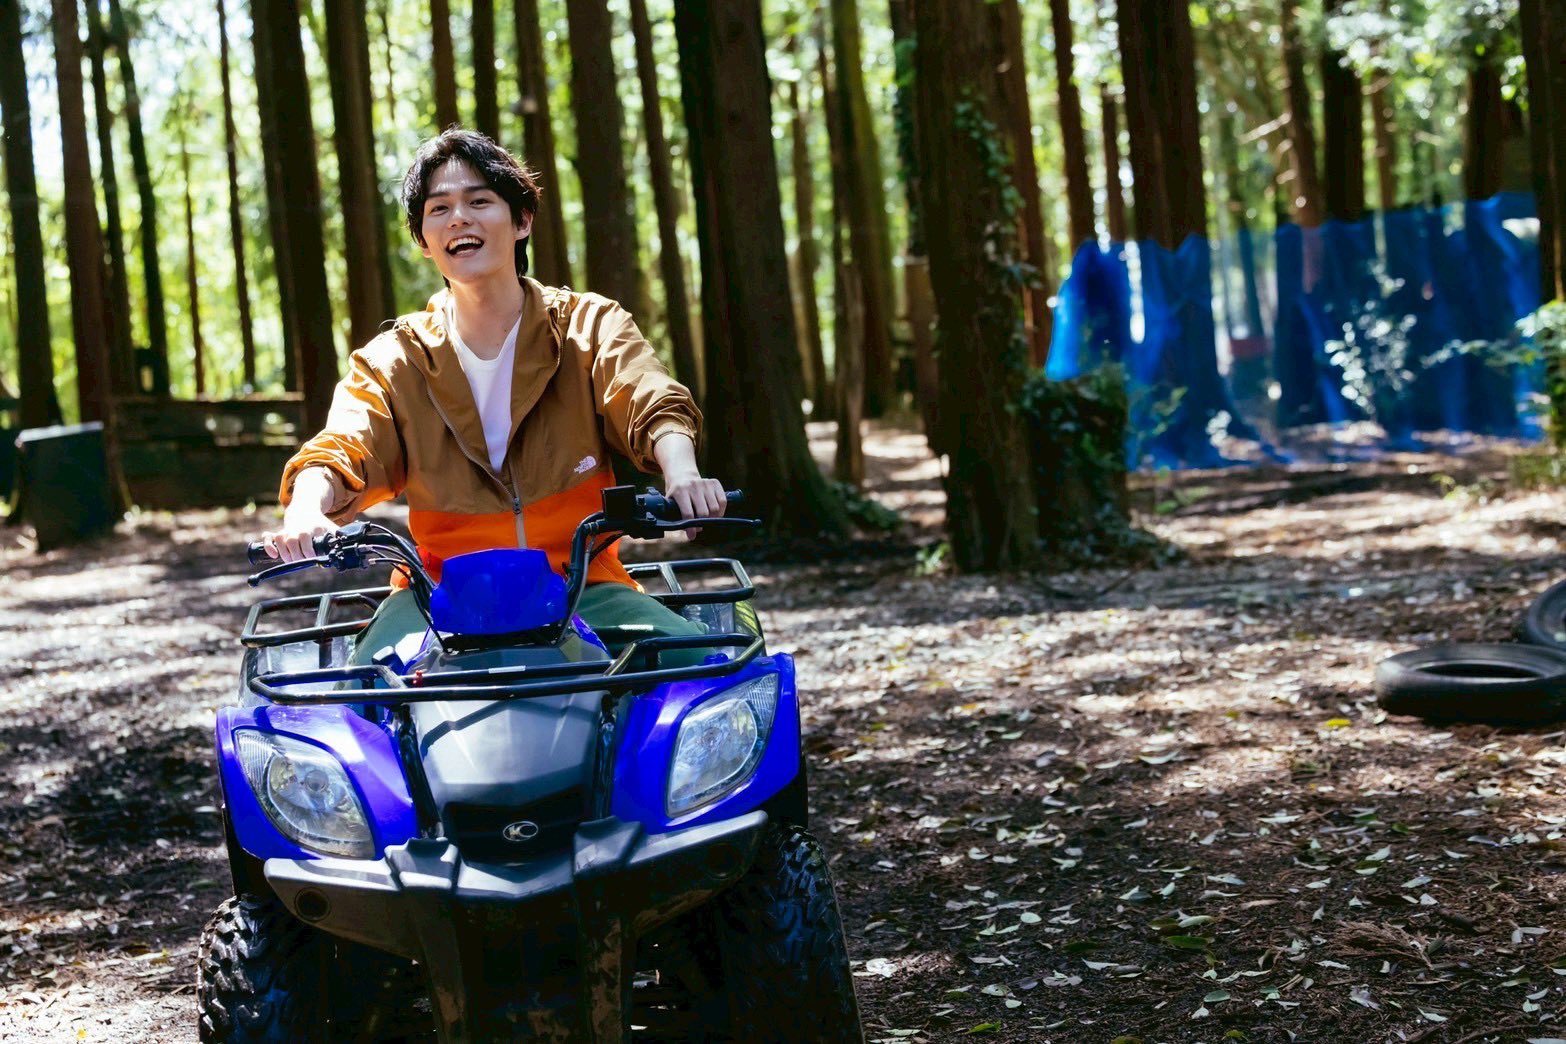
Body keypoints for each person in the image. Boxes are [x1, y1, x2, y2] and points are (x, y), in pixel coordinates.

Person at [260, 128, 724, 663]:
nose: (459, 218)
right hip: (438, 596)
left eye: (479, 201)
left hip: (582, 585)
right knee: (362, 690)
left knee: (701, 668)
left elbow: (648, 396)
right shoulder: (396, 358)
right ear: (423, 240)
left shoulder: (589, 326)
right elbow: (344, 443)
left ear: (522, 220)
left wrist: (681, 472)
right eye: (439, 209)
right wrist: (306, 509)